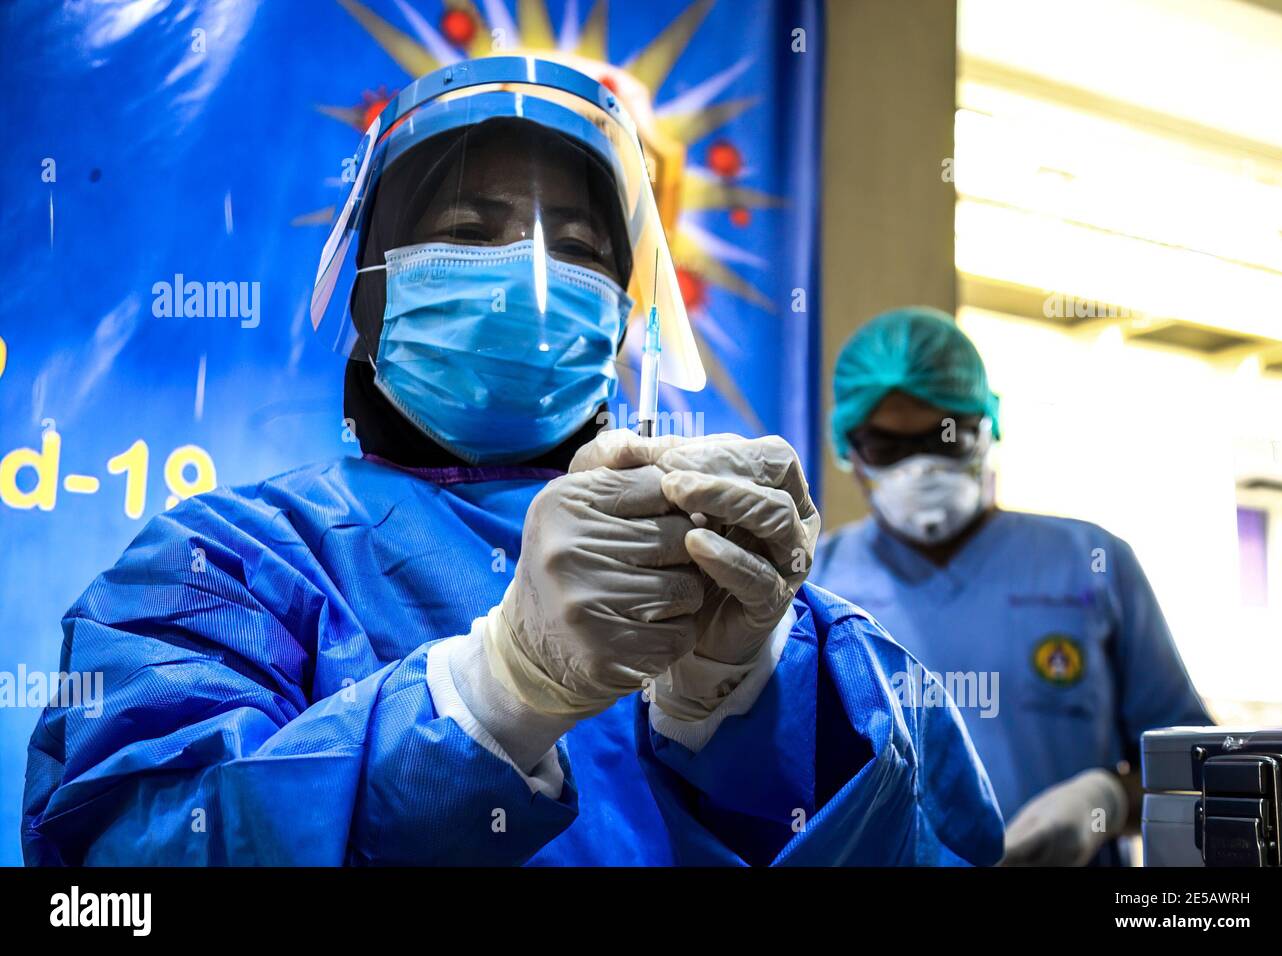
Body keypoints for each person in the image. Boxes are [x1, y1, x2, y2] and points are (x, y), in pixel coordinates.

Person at [22, 58, 1002, 866]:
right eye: (465, 230)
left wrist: (741, 690)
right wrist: (492, 691)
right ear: (371, 295)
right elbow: (124, 858)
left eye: (575, 244)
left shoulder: (719, 577)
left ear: (619, 314)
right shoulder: (223, 566)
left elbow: (940, 842)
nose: (527, 275)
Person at [811, 305, 1212, 866]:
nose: (921, 468)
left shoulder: (1093, 564)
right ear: (847, 447)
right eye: (888, 447)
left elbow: (1196, 769)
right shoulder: (814, 586)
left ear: (988, 428)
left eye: (945, 438)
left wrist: (1106, 801)